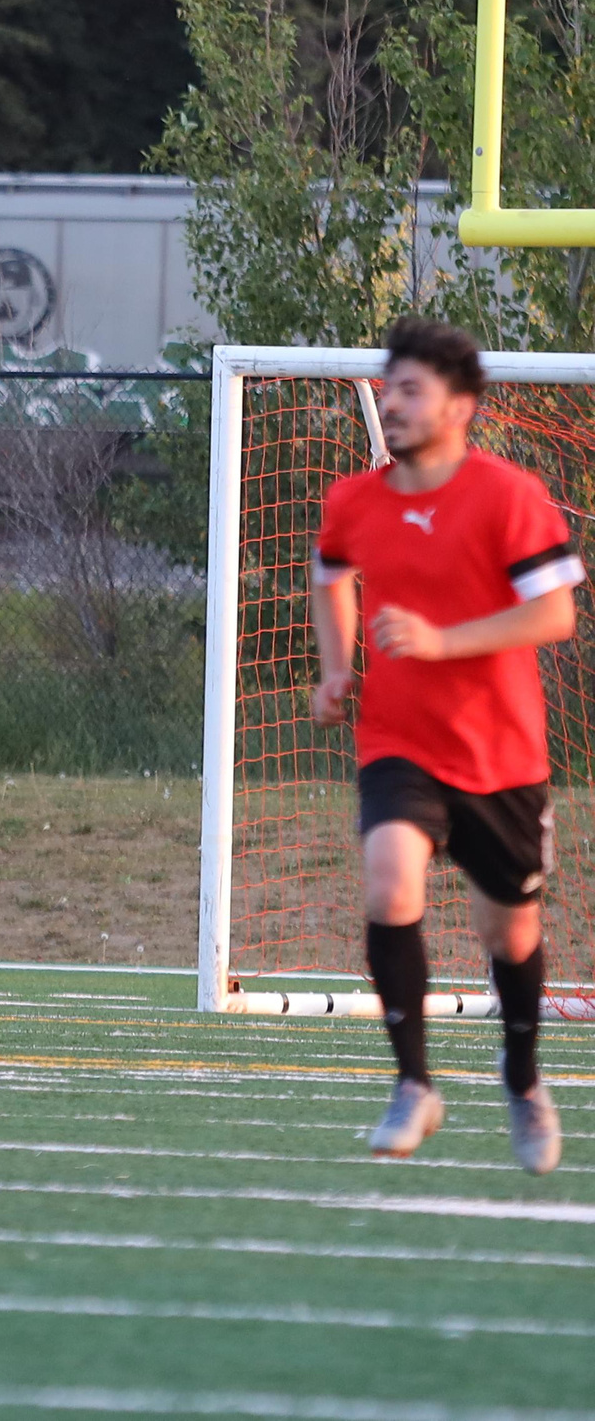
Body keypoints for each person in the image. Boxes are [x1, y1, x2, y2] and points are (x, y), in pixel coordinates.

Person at [311, 318, 572, 1174]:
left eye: (412, 388)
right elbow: (330, 575)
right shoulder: (354, 498)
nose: (392, 402)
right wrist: (339, 669)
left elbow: (553, 615)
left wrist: (438, 638)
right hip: (400, 742)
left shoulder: (510, 495)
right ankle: (415, 1081)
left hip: (503, 755)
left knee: (513, 938)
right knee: (390, 885)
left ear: (460, 406)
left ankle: (525, 1080)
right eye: (389, 387)